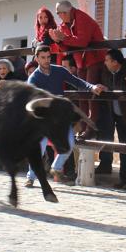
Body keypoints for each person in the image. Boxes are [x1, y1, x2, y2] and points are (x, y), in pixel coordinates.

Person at [25, 45, 104, 186]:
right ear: (37, 58)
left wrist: (91, 87)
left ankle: (56, 168)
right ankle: (30, 177)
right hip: (43, 119)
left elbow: (77, 81)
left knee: (69, 144)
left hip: (61, 117)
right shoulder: (33, 78)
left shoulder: (59, 71)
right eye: (43, 57)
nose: (46, 60)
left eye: (48, 57)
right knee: (39, 147)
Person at [50, 0, 106, 140]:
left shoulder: (81, 17)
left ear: (67, 12)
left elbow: (82, 41)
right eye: (58, 14)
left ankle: (91, 127)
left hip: (95, 58)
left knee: (91, 94)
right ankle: (82, 126)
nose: (59, 17)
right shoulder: (63, 25)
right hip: (80, 61)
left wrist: (63, 39)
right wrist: (58, 41)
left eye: (60, 13)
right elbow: (64, 49)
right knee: (81, 94)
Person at [100, 49, 126, 189]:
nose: (105, 62)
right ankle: (124, 178)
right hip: (116, 114)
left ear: (115, 62)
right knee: (122, 148)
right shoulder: (106, 71)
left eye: (107, 60)